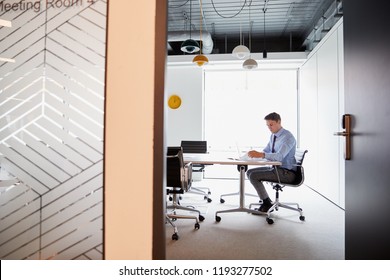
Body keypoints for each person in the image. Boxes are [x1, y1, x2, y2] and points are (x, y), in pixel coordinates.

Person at [246, 112, 297, 213]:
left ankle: (266, 204)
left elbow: (279, 156)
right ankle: (267, 201)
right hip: (276, 169)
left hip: (286, 173)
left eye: (271, 124)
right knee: (249, 172)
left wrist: (261, 155)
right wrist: (253, 155)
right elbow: (266, 151)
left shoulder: (288, 137)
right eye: (267, 125)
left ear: (279, 122)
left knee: (253, 176)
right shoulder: (273, 136)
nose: (269, 127)